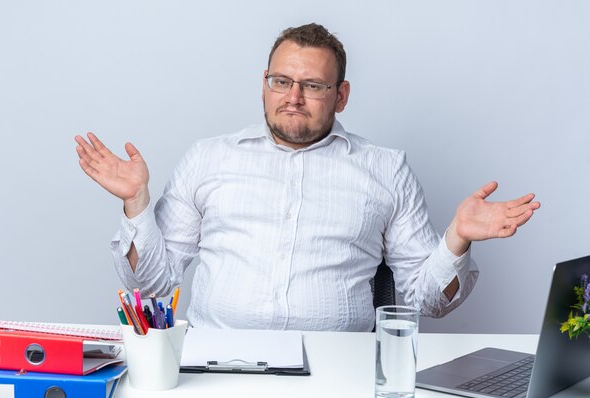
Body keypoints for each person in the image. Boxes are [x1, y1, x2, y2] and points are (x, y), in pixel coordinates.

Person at [75, 23, 540, 331]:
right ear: (265, 83)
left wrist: (457, 238)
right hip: (214, 364)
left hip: (341, 374)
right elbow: (151, 287)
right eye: (281, 81)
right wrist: (136, 205)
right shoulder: (207, 160)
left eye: (313, 86)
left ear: (341, 96)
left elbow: (426, 303)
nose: (293, 97)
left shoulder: (386, 169)